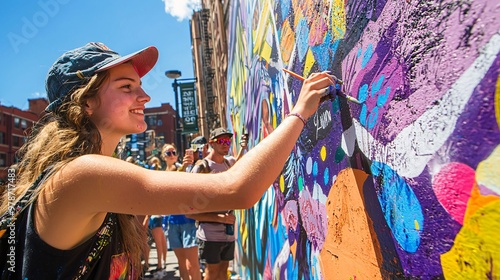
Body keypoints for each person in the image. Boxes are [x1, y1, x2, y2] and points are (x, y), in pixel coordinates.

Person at [0, 42, 335, 279]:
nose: (144, 97)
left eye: (140, 86)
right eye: (127, 86)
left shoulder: (83, 174)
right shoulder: (83, 174)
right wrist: (299, 112)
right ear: (85, 103)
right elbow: (238, 189)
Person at [186, 128, 240, 280]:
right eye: (221, 141)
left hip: (228, 233)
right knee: (212, 272)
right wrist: (219, 218)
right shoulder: (201, 168)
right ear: (211, 144)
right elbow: (189, 212)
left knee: (224, 271)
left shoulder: (230, 164)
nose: (226, 144)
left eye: (228, 141)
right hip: (209, 234)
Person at [162, 143, 202, 280]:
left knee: (192, 264)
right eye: (168, 153)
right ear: (164, 157)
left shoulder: (183, 168)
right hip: (172, 222)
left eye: (174, 152)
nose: (172, 155)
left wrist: (185, 167)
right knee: (182, 264)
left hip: (188, 221)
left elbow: (188, 184)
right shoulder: (161, 174)